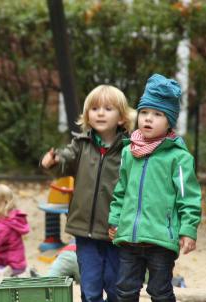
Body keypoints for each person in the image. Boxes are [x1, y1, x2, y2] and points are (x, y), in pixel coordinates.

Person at [108, 73, 202, 302]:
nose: (148, 119)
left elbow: (188, 196)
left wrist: (188, 229)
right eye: (145, 112)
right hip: (130, 236)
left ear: (169, 121)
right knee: (124, 290)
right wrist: (115, 219)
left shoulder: (178, 157)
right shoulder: (129, 152)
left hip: (161, 238)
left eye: (158, 114)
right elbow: (121, 190)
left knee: (159, 291)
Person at [41, 85, 136, 302]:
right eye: (94, 108)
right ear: (87, 116)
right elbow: (65, 159)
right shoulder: (81, 145)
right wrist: (54, 161)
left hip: (115, 232)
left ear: (121, 118)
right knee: (90, 287)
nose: (100, 113)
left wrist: (127, 222)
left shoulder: (129, 150)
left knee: (116, 286)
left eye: (108, 108)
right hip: (85, 231)